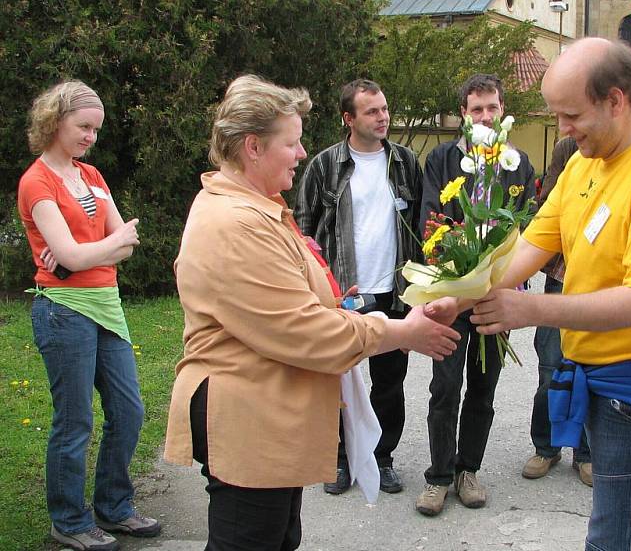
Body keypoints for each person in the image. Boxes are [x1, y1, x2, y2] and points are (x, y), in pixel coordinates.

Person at [428, 39, 631, 550]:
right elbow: (530, 245)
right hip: (608, 386)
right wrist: (457, 297)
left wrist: (529, 308)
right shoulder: (587, 163)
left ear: (616, 100)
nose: (562, 128)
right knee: (629, 530)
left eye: (571, 114)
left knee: (623, 537)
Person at [163, 75, 459, 551]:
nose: (302, 154)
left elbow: (277, 304)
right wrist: (402, 331)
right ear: (254, 147)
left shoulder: (255, 206)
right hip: (247, 422)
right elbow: (302, 331)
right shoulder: (237, 222)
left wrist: (336, 302)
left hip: (265, 417)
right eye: (293, 143)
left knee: (279, 537)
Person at [17, 81, 160, 551]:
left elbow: (125, 242)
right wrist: (90, 252)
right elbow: (74, 254)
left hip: (106, 307)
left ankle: (114, 507)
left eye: (95, 130)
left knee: (128, 411)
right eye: (83, 127)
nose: (90, 138)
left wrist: (85, 253)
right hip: (63, 311)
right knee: (75, 420)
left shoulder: (93, 176)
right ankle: (69, 520)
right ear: (54, 121)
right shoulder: (37, 182)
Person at [415, 74, 535, 517]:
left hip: (495, 295)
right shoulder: (442, 161)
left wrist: (500, 275)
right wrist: (458, 268)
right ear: (464, 114)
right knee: (444, 387)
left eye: (493, 108)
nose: (486, 116)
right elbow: (432, 220)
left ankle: (469, 470)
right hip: (452, 293)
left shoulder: (517, 162)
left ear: (502, 111)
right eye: (477, 109)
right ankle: (439, 477)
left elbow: (525, 225)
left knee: (483, 387)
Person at [294, 79, 422, 495]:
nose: (383, 117)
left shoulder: (404, 162)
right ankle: (341, 459)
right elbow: (303, 230)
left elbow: (420, 230)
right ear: (348, 118)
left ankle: (381, 458)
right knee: (337, 381)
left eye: (384, 109)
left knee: (390, 382)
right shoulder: (324, 165)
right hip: (342, 294)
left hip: (393, 292)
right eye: (371, 111)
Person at [522, 136, 592, 488]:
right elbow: (541, 216)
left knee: (591, 369)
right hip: (561, 279)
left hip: (599, 285)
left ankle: (586, 454)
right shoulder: (567, 152)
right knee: (550, 368)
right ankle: (546, 447)